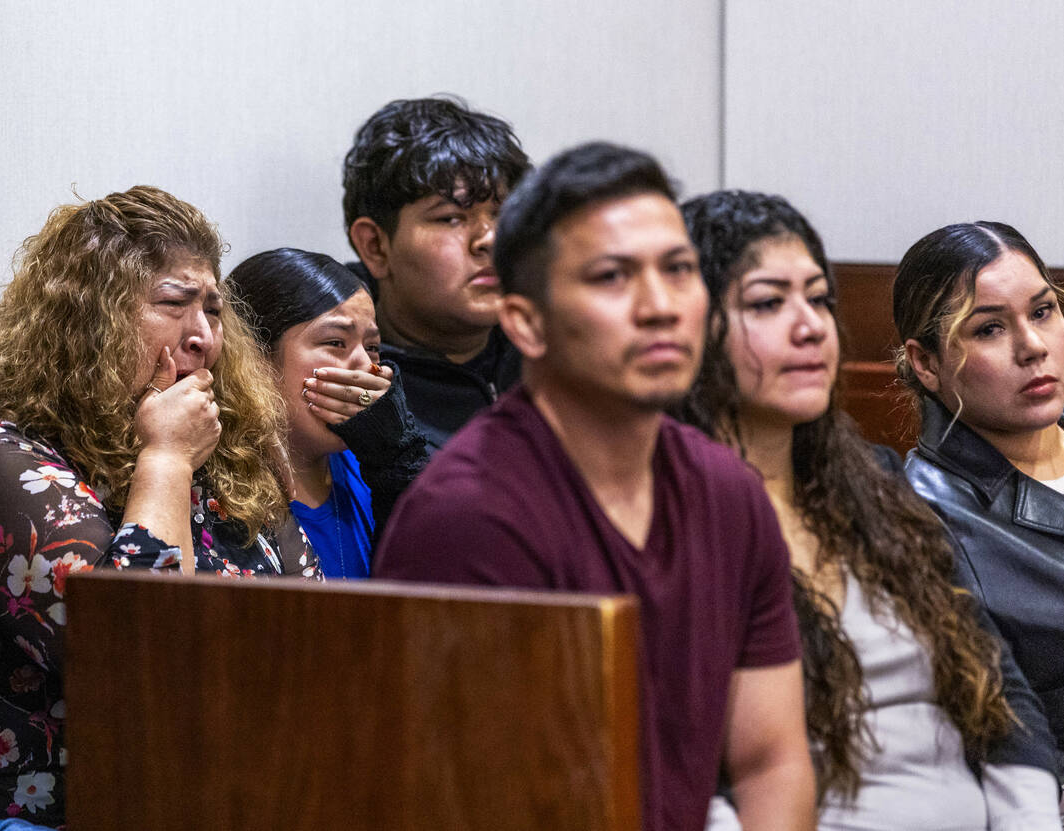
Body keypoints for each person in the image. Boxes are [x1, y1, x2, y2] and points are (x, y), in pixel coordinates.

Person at [373, 144, 814, 831]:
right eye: (612, 277)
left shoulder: (730, 493)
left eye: (678, 271)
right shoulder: (467, 518)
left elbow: (770, 760)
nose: (660, 307)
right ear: (525, 322)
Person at [0, 186, 320, 829]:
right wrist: (165, 464)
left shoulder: (222, 458)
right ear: (86, 322)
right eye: (174, 305)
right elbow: (147, 661)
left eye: (213, 310)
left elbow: (316, 630)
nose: (204, 338)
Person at [681, 192, 1061, 830]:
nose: (810, 326)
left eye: (819, 300)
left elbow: (997, 686)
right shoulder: (663, 515)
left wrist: (1031, 821)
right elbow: (674, 765)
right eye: (769, 304)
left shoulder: (873, 480)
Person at [895, 221, 1064, 769]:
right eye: (989, 329)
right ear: (926, 363)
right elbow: (987, 736)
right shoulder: (921, 517)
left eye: (1043, 312)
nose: (1033, 347)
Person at [342, 96, 531, 449]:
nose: (488, 239)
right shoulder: (341, 378)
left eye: (503, 214)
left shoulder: (557, 352)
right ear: (375, 246)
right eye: (451, 218)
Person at [227, 248, 427, 578]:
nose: (368, 366)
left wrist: (399, 462)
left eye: (373, 346)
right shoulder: (217, 497)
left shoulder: (371, 467)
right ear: (252, 358)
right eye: (336, 342)